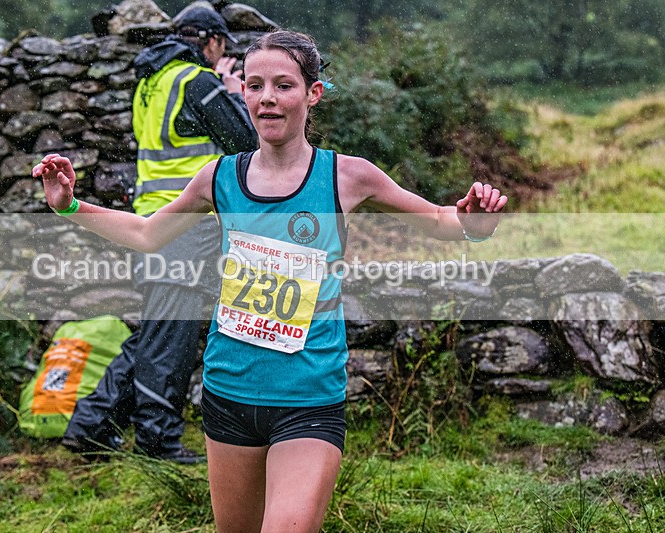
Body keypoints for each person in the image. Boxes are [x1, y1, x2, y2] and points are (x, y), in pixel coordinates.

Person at [35, 29, 507, 532]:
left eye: (284, 85)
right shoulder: (217, 178)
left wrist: (476, 225)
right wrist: (71, 206)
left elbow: (440, 221)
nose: (268, 98)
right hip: (228, 394)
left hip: (308, 399)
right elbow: (149, 233)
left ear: (313, 93)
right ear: (242, 93)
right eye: (255, 85)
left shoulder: (348, 177)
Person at [60, 6, 257, 464]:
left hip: (153, 217)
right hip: (186, 226)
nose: (222, 55)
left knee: (157, 331)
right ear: (210, 41)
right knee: (172, 337)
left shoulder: (151, 82)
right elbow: (247, 142)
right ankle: (158, 442)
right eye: (222, 47)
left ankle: (90, 425)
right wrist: (231, 89)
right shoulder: (197, 82)